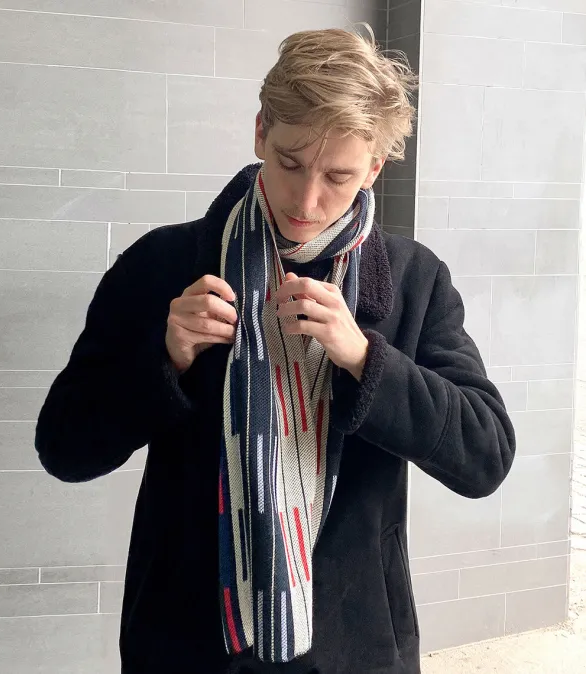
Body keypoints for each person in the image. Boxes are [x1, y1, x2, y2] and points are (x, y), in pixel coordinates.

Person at [35, 27, 515, 674]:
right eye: (290, 163)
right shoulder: (162, 264)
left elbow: (484, 456)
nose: (308, 200)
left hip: (354, 645)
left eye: (339, 176)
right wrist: (165, 359)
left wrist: (365, 358)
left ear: (374, 168)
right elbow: (64, 447)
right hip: (186, 641)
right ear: (261, 132)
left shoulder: (413, 281)